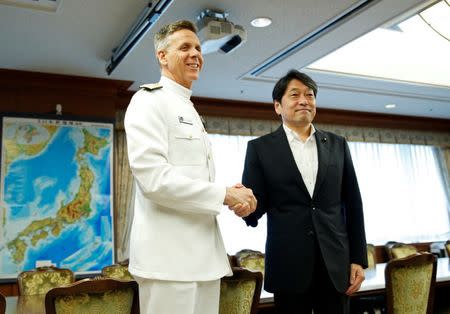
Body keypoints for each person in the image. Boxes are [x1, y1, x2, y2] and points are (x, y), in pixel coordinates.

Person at [124, 20, 256, 314]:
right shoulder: (148, 101)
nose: (195, 53)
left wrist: (230, 193)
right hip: (168, 263)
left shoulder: (189, 108)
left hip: (204, 260)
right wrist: (222, 195)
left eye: (198, 47)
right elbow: (154, 179)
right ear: (162, 56)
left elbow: (193, 178)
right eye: (185, 47)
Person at [240, 69, 368, 313]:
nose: (304, 100)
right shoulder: (259, 149)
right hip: (288, 264)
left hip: (336, 265)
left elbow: (353, 204)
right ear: (278, 106)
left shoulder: (338, 144)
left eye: (309, 95)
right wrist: (245, 207)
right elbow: (256, 205)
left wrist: (358, 259)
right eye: (295, 94)